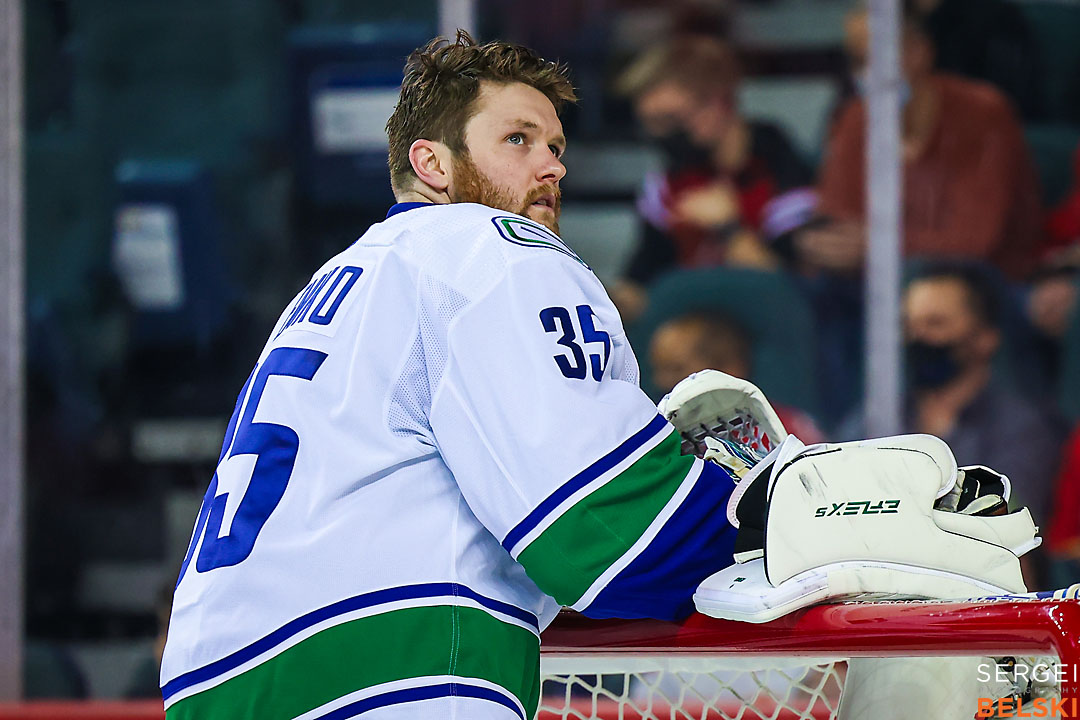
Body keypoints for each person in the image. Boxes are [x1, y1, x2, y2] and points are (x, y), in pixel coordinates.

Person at [159, 32, 745, 720]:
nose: (552, 166)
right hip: (380, 668)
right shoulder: (490, 250)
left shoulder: (338, 281)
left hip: (214, 678)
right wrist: (762, 524)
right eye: (519, 140)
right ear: (432, 163)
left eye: (556, 147)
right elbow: (603, 527)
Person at [801, 3, 1044, 282]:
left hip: (980, 284)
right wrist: (823, 245)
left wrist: (877, 245)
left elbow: (973, 241)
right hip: (874, 280)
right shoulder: (854, 117)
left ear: (920, 51)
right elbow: (836, 217)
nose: (869, 73)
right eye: (858, 62)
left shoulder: (983, 112)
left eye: (879, 57)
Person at [841, 263, 1064, 529]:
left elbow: (1007, 522)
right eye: (908, 325)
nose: (917, 337)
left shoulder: (1021, 429)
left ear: (986, 338)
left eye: (936, 323)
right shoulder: (876, 418)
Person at [610, 35, 815, 321]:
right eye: (652, 126)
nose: (664, 137)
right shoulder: (668, 180)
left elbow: (794, 294)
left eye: (672, 120)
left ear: (719, 102)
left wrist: (729, 229)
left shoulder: (783, 171)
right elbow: (641, 279)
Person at [648, 312, 824, 443]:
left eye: (676, 368)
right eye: (658, 369)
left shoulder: (790, 428)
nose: (661, 382)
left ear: (729, 368)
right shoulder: (655, 439)